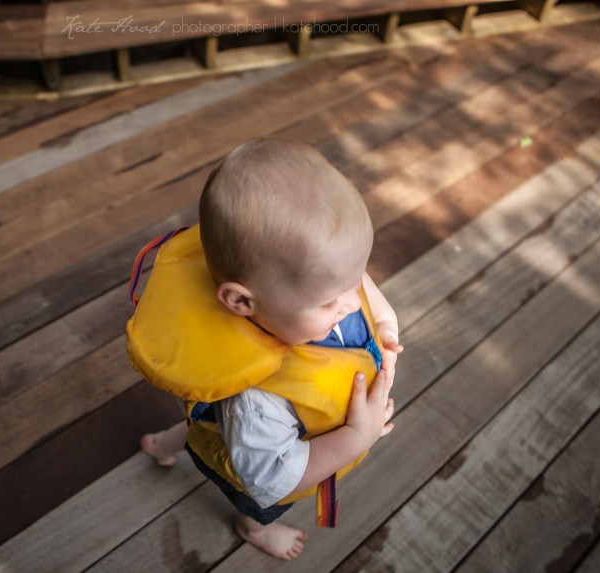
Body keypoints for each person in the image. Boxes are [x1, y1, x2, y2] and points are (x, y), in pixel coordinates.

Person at [127, 138, 402, 561]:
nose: (352, 303)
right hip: (260, 459)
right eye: (331, 300)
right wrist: (356, 437)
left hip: (228, 427)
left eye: (355, 281)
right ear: (240, 302)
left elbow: (356, 285)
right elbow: (271, 480)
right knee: (255, 499)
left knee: (210, 423)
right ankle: (251, 529)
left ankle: (163, 445)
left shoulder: (315, 285)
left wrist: (383, 322)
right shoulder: (257, 403)